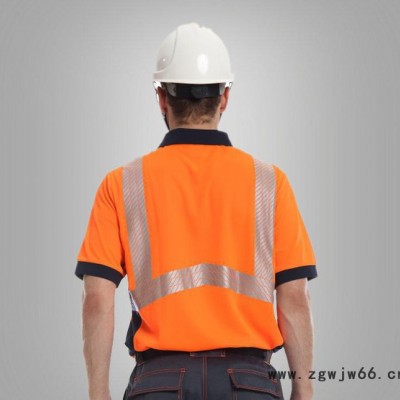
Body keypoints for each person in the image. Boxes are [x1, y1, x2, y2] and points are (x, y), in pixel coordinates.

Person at [75, 22, 317, 400]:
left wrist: (97, 393)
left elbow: (96, 298)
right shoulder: (270, 183)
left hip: (159, 384)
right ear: (224, 98)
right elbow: (295, 298)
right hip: (250, 384)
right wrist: (304, 390)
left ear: (161, 98)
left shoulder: (121, 184)